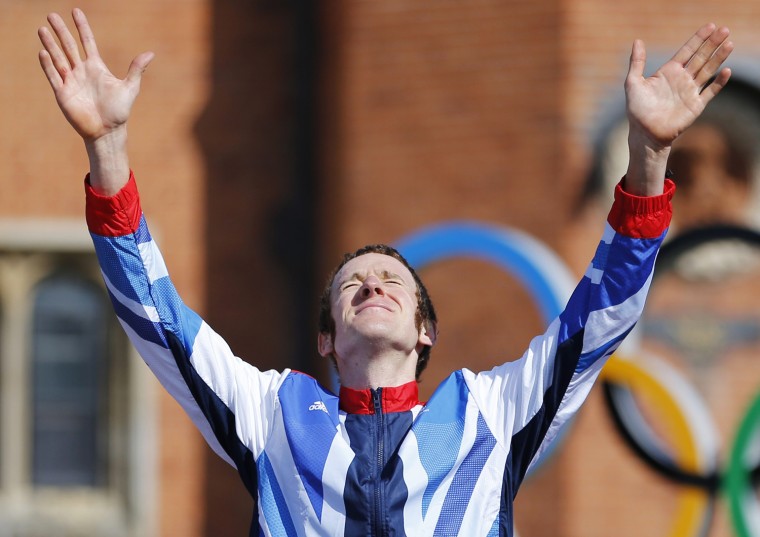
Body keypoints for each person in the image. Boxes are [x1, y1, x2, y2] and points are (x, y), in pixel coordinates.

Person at [38, 9, 733, 536]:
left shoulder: (489, 414)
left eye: (392, 281)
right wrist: (108, 148)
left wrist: (647, 157)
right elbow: (157, 318)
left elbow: (602, 313)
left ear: (425, 331)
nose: (373, 284)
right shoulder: (272, 415)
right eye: (352, 285)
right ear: (326, 341)